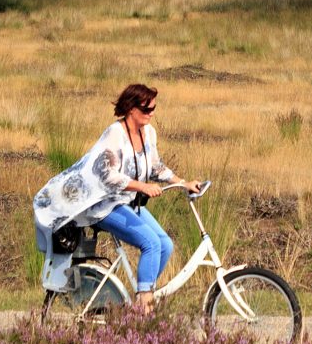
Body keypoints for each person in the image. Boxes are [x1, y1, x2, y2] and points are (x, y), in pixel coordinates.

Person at [32, 83, 199, 313]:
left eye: (153, 108)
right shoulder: (115, 134)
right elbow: (106, 174)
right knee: (150, 243)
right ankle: (144, 309)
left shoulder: (148, 132)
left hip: (127, 203)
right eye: (146, 109)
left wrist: (183, 183)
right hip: (104, 206)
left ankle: (140, 298)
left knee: (165, 245)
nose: (151, 113)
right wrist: (141, 186)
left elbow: (156, 167)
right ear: (131, 109)